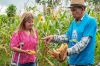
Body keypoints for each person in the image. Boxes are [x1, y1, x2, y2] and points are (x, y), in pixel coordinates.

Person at [42, 0, 97, 66]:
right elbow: (67, 37)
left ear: (82, 9)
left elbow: (83, 43)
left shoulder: (90, 21)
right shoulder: (74, 22)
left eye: (74, 10)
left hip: (84, 63)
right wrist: (53, 38)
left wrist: (66, 52)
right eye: (71, 10)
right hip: (72, 62)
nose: (72, 13)